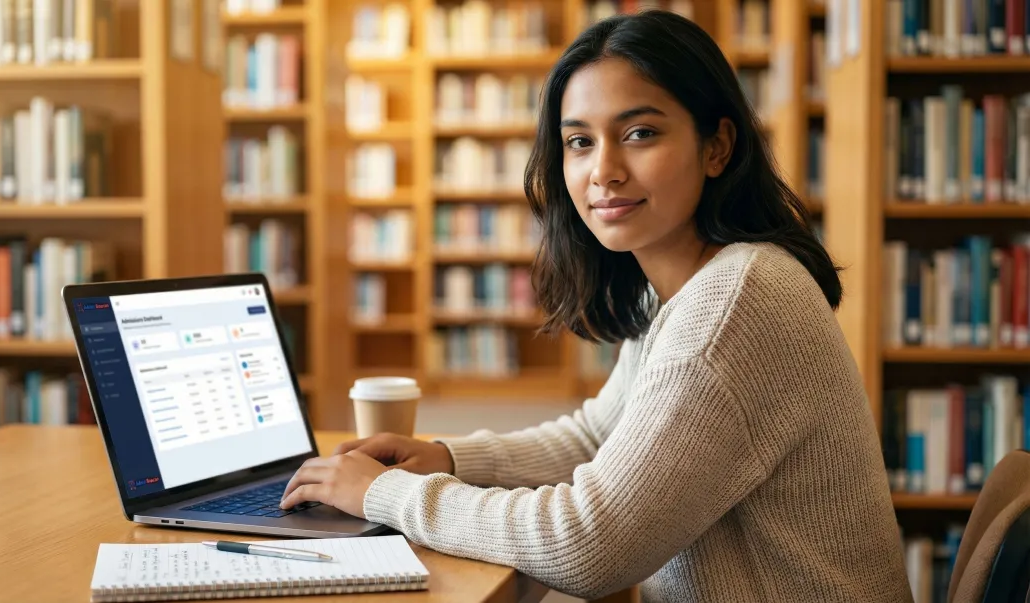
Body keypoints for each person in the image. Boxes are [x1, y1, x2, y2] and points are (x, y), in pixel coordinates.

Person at [279, 10, 912, 602]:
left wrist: (389, 495)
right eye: (579, 142)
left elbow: (589, 544)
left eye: (640, 133)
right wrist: (449, 459)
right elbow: (598, 436)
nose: (603, 171)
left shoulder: (738, 297)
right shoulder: (674, 283)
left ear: (717, 146)